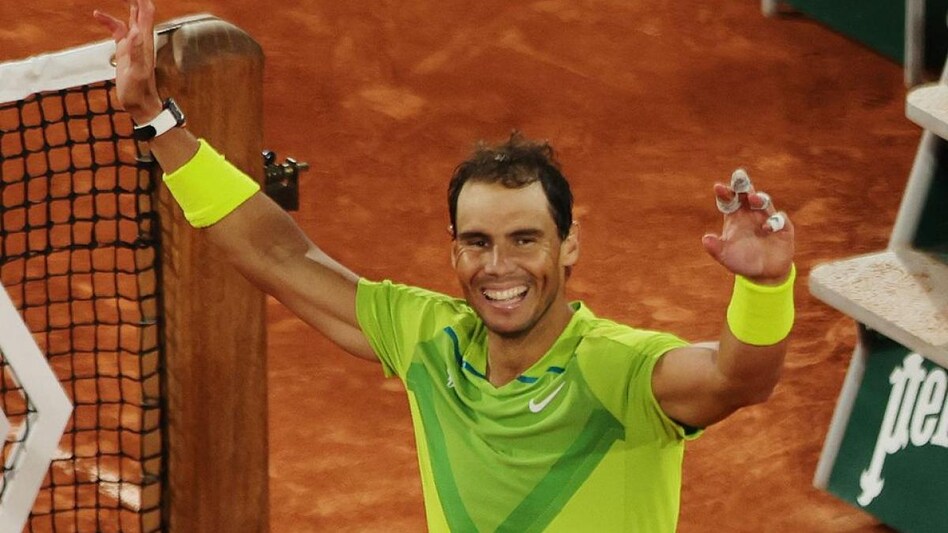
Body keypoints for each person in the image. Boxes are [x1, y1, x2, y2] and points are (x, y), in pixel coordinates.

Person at [95, 1, 796, 531]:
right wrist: (157, 120)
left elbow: (737, 378)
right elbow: (278, 253)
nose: (500, 266)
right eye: (478, 242)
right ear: (454, 249)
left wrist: (765, 286)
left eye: (525, 239)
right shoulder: (428, 339)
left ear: (570, 244)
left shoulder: (618, 370)